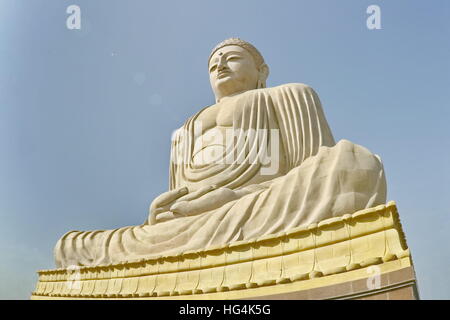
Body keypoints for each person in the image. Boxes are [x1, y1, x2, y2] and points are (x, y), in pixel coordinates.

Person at [54, 38, 386, 268]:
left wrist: (231, 197)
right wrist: (157, 214)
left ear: (262, 71)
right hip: (189, 228)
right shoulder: (182, 131)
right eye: (214, 62)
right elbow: (177, 199)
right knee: (72, 248)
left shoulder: (289, 95)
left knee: (352, 166)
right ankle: (171, 249)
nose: (220, 64)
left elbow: (315, 167)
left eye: (231, 57)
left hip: (259, 207)